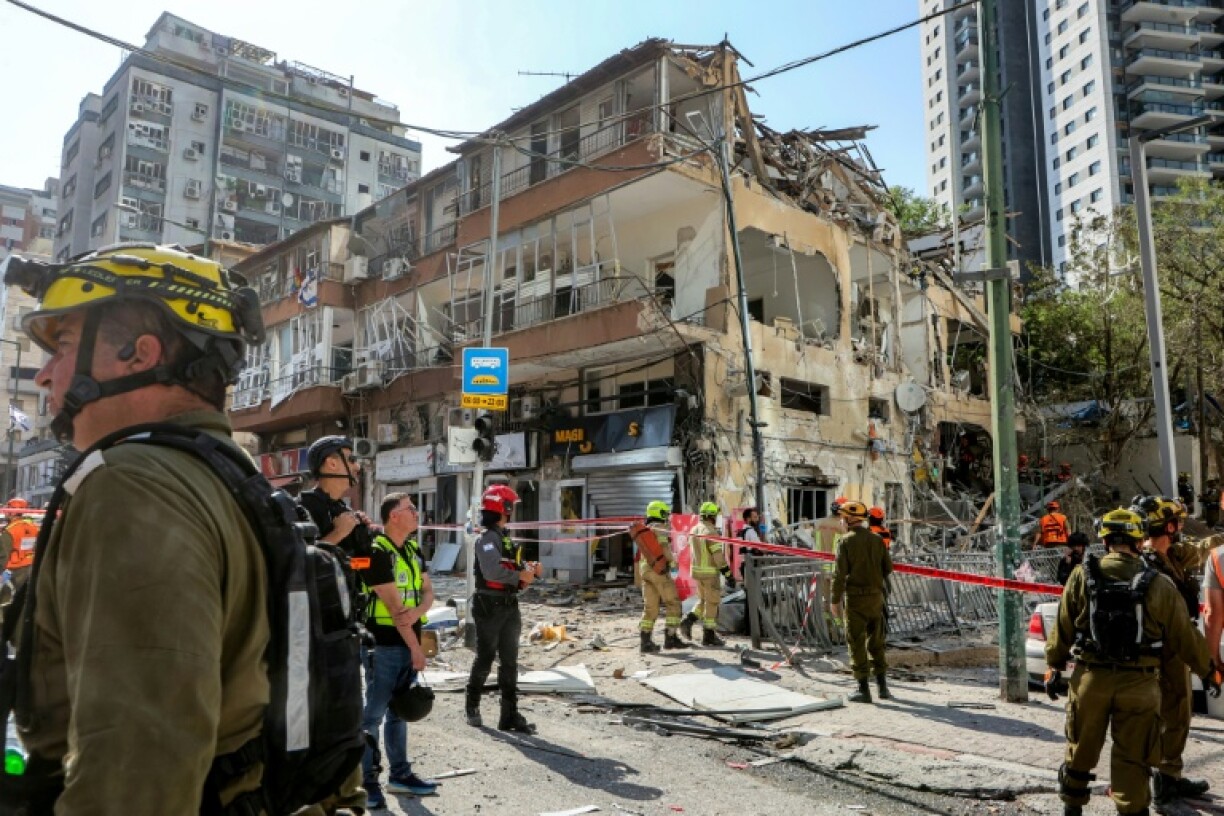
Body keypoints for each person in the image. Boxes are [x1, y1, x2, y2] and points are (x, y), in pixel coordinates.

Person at [0, 244, 273, 811]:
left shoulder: (133, 483)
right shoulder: (226, 475)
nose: (46, 373)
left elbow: (137, 766)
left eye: (66, 345)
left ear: (139, 355)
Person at [1045, 508, 1219, 816]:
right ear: (1139, 541)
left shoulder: (1081, 576)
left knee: (1080, 750)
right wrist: (1208, 672)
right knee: (1133, 758)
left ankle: (1072, 808)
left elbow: (1062, 627)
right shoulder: (1159, 583)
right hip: (1139, 685)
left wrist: (1054, 667)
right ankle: (1132, 809)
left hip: (1090, 680)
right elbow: (1184, 635)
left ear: (1105, 539)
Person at [298, 435, 374, 814]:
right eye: (349, 458)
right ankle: (318, 799)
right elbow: (299, 566)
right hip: (314, 635)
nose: (356, 466)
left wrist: (363, 539)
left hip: (347, 628)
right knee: (319, 720)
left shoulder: (342, 509)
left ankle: (346, 794)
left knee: (348, 716)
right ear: (330, 464)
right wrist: (337, 536)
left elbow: (359, 565)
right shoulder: (303, 508)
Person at [1131, 495, 1213, 807]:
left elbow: (1204, 549)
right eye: (1177, 521)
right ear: (1168, 526)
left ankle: (1171, 774)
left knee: (1179, 713)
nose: (1180, 526)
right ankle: (1164, 786)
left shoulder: (1171, 555)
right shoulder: (1149, 564)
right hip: (1163, 651)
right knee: (1172, 714)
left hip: (1173, 650)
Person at [358, 493, 437, 808]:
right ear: (394, 516)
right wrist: (416, 649)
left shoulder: (414, 550)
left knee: (399, 712)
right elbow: (393, 608)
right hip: (385, 645)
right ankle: (367, 783)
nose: (417, 513)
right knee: (372, 716)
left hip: (407, 638)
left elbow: (429, 591)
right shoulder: (377, 553)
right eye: (410, 509)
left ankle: (400, 776)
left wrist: (417, 613)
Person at [465, 484, 541, 733]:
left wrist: (529, 571)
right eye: (511, 507)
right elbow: (492, 571)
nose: (512, 512)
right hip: (490, 605)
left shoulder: (504, 539)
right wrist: (521, 574)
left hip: (508, 604)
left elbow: (511, 570)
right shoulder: (486, 539)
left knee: (510, 662)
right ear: (503, 507)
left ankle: (509, 715)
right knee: (485, 658)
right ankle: (472, 706)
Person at [829, 500, 893, 703]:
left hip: (856, 600)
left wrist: (834, 600)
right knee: (877, 642)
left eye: (842, 518)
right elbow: (888, 568)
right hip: (876, 598)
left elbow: (839, 575)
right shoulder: (877, 540)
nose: (841, 521)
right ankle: (883, 688)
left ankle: (863, 689)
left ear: (848, 519)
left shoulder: (845, 542)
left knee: (856, 643)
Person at [681, 501, 733, 647]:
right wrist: (728, 573)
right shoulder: (710, 531)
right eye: (715, 515)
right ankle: (709, 637)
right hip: (710, 573)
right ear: (711, 516)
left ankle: (688, 620)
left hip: (697, 572)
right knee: (712, 603)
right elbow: (717, 556)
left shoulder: (695, 529)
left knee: (703, 600)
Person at [636, 500, 685, 652]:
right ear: (658, 513)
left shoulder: (646, 528)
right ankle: (671, 638)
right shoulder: (660, 528)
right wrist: (674, 561)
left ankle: (645, 642)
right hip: (658, 571)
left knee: (650, 607)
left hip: (645, 571)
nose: (666, 517)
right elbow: (664, 549)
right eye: (664, 513)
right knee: (673, 603)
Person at [0, 498, 39, 614]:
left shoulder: (10, 531)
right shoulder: (33, 527)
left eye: (8, 509)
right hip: (28, 568)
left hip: (12, 570)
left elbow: (3, 555)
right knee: (22, 599)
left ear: (13, 511)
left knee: (5, 600)